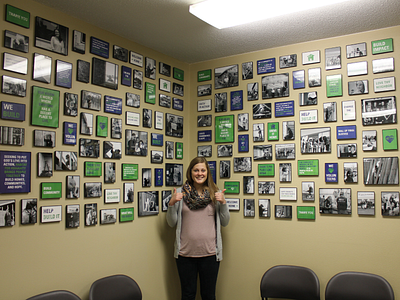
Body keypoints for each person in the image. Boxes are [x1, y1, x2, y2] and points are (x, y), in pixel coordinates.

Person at [167, 157, 230, 300]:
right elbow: (171, 223)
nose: (199, 173)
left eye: (203, 170)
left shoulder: (216, 193)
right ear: (191, 172)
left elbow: (225, 222)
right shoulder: (180, 193)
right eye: (196, 170)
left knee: (208, 295)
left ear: (207, 172)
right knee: (188, 295)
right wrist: (171, 204)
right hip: (185, 254)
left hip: (210, 254)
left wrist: (223, 202)